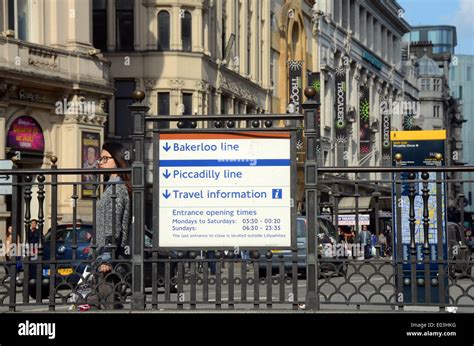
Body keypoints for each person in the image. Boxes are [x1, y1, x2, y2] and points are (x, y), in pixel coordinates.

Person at [93, 142, 131, 309]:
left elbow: (113, 225)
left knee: (107, 302)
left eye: (104, 158)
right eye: (100, 159)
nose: (100, 162)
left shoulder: (117, 189)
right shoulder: (111, 187)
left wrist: (107, 257)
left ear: (117, 159)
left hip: (109, 259)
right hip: (103, 255)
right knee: (98, 302)